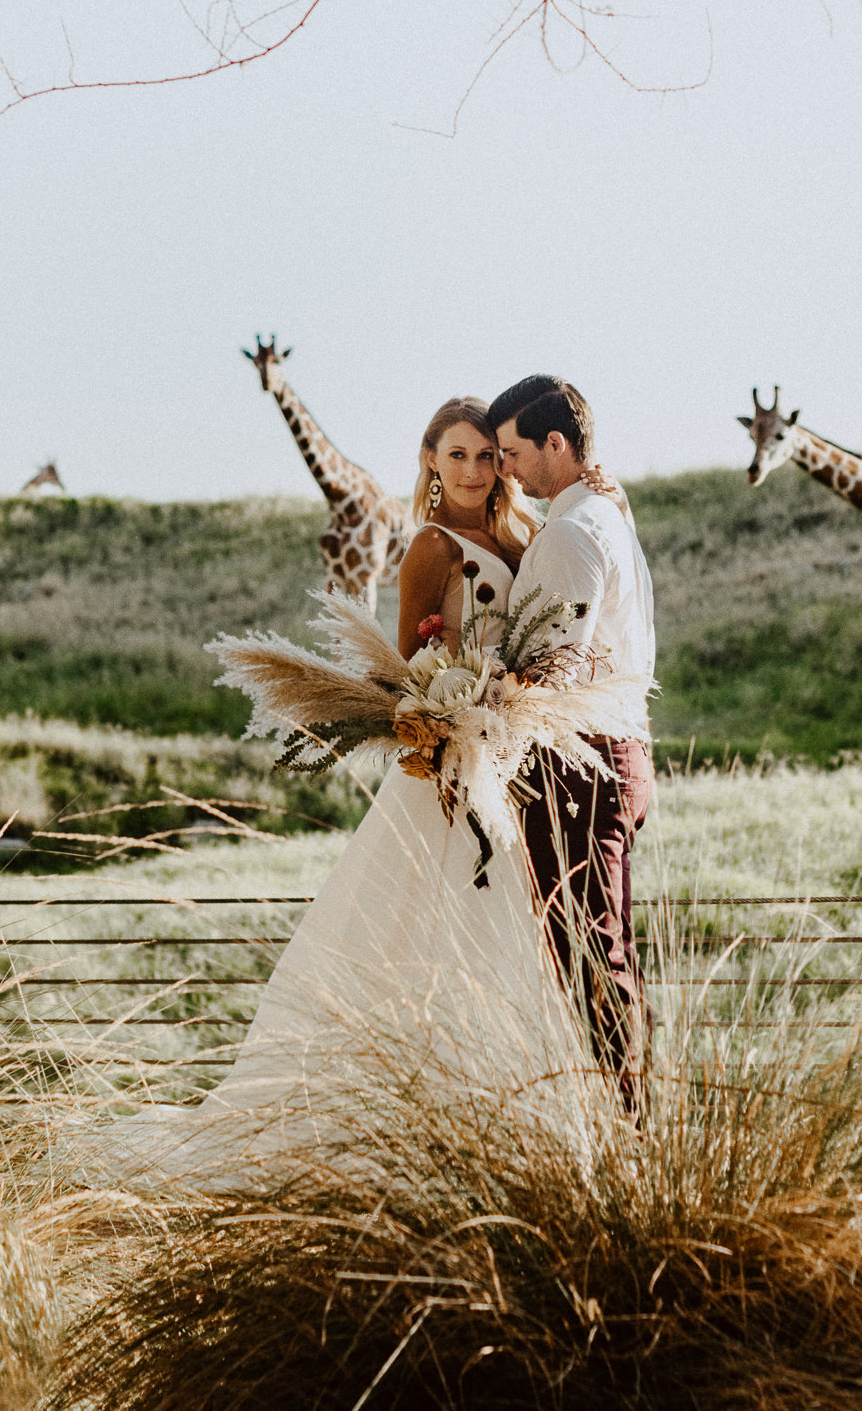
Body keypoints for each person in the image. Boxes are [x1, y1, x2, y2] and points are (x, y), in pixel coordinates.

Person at [98, 396, 593, 1188]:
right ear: (431, 462)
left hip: (511, 766)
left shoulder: (526, 536)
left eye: (485, 456)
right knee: (412, 931)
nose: (473, 471)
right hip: (449, 769)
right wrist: (444, 715)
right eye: (455, 455)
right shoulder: (430, 549)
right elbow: (400, 676)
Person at [489, 374, 657, 1115]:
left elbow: (550, 668)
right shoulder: (605, 512)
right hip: (615, 756)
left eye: (511, 451)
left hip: (578, 764)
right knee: (604, 943)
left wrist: (481, 697)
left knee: (588, 951)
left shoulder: (568, 531)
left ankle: (625, 1115)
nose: (504, 469)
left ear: (555, 444)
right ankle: (625, 1106)